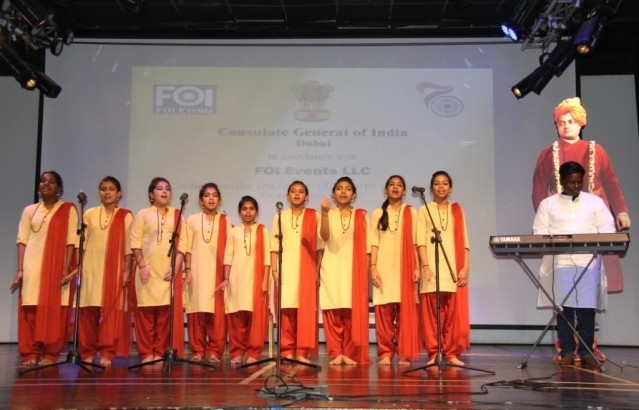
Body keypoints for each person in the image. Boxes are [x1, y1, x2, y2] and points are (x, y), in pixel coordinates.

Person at [532, 97, 630, 293]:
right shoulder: (547, 154)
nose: (566, 126)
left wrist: (621, 211)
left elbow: (611, 182)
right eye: (561, 123)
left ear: (580, 123)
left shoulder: (596, 150)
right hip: (561, 219)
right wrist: (545, 220)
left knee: (595, 280)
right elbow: (539, 189)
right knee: (563, 282)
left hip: (594, 218)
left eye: (571, 121)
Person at [533, 161, 615, 367]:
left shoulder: (595, 202)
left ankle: (586, 352)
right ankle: (567, 351)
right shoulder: (548, 204)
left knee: (587, 309)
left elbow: (608, 230)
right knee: (564, 309)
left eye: (579, 182)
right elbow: (539, 232)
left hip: (588, 263)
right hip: (560, 263)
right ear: (561, 181)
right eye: (572, 182)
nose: (576, 186)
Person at [12, 171, 78, 367]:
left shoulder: (68, 210)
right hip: (32, 264)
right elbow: (22, 240)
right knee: (31, 308)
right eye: (43, 181)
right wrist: (20, 269)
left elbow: (71, 242)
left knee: (54, 310)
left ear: (59, 189)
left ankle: (50, 352)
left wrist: (65, 269)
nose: (46, 184)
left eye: (52, 182)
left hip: (56, 266)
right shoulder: (29, 210)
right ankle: (31, 352)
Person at [74, 176, 133, 366]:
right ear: (98, 193)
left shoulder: (126, 216)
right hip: (91, 268)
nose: (107, 193)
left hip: (114, 269)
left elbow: (129, 247)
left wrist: (126, 270)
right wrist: (79, 265)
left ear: (119, 194)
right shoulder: (89, 214)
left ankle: (108, 352)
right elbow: (81, 244)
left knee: (111, 313)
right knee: (87, 311)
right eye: (103, 189)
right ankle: (88, 351)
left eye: (111, 189)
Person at [130, 177, 187, 363]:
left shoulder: (177, 215)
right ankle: (147, 353)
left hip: (168, 271)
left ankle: (160, 351)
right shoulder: (143, 214)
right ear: (151, 194)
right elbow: (135, 242)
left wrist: (175, 267)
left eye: (167, 188)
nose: (164, 192)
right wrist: (142, 266)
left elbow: (183, 245)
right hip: (146, 270)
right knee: (145, 313)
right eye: (160, 188)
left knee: (164, 315)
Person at [417, 171, 469, 366]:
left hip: (453, 267)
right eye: (437, 184)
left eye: (445, 183)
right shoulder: (425, 210)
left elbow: (465, 240)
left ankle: (451, 353)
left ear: (450, 188)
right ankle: (434, 353)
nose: (441, 187)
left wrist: (466, 267)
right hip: (431, 268)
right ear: (431, 189)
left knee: (451, 315)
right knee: (431, 316)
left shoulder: (457, 210)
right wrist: (425, 265)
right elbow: (420, 241)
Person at [319, 176, 371, 365]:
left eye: (348, 189)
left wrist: (365, 271)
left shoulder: (362, 216)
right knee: (332, 311)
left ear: (354, 195)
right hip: (331, 267)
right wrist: (324, 213)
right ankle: (335, 352)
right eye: (339, 188)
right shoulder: (327, 214)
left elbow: (368, 247)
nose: (343, 192)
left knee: (351, 312)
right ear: (333, 194)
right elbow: (324, 236)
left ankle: (348, 353)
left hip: (353, 270)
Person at [370, 175, 420, 366]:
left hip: (405, 268)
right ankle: (385, 352)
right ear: (385, 190)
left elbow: (415, 242)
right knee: (384, 313)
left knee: (406, 313)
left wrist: (417, 266)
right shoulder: (378, 213)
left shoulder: (411, 212)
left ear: (404, 191)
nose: (395, 187)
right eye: (391, 185)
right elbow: (374, 243)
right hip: (383, 268)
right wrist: (372, 267)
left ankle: (405, 352)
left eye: (399, 185)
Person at [270, 181, 322, 363]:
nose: (297, 195)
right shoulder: (279, 216)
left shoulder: (314, 216)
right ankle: (287, 350)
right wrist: (274, 269)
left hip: (306, 270)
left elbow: (319, 247)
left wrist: (316, 271)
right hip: (286, 268)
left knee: (304, 311)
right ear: (287, 196)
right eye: (293, 191)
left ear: (307, 196)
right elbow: (274, 246)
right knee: (287, 310)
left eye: (301, 192)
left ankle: (302, 352)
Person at [218, 196, 270, 365]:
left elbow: (267, 259)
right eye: (244, 209)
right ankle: (237, 352)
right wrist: (226, 278)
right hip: (236, 279)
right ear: (239, 212)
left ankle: (253, 352)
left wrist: (265, 281)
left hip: (255, 280)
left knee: (254, 318)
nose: (248, 212)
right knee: (237, 317)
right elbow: (228, 257)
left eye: (251, 209)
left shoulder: (262, 230)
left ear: (257, 212)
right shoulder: (233, 232)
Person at [183, 183, 231, 363]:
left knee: (216, 314)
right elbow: (187, 248)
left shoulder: (225, 221)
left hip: (217, 272)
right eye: (207, 195)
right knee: (196, 312)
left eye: (215, 195)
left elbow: (229, 250)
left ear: (220, 200)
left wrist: (227, 275)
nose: (211, 198)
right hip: (196, 271)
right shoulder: (192, 220)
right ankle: (197, 350)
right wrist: (188, 270)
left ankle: (214, 351)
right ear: (200, 200)